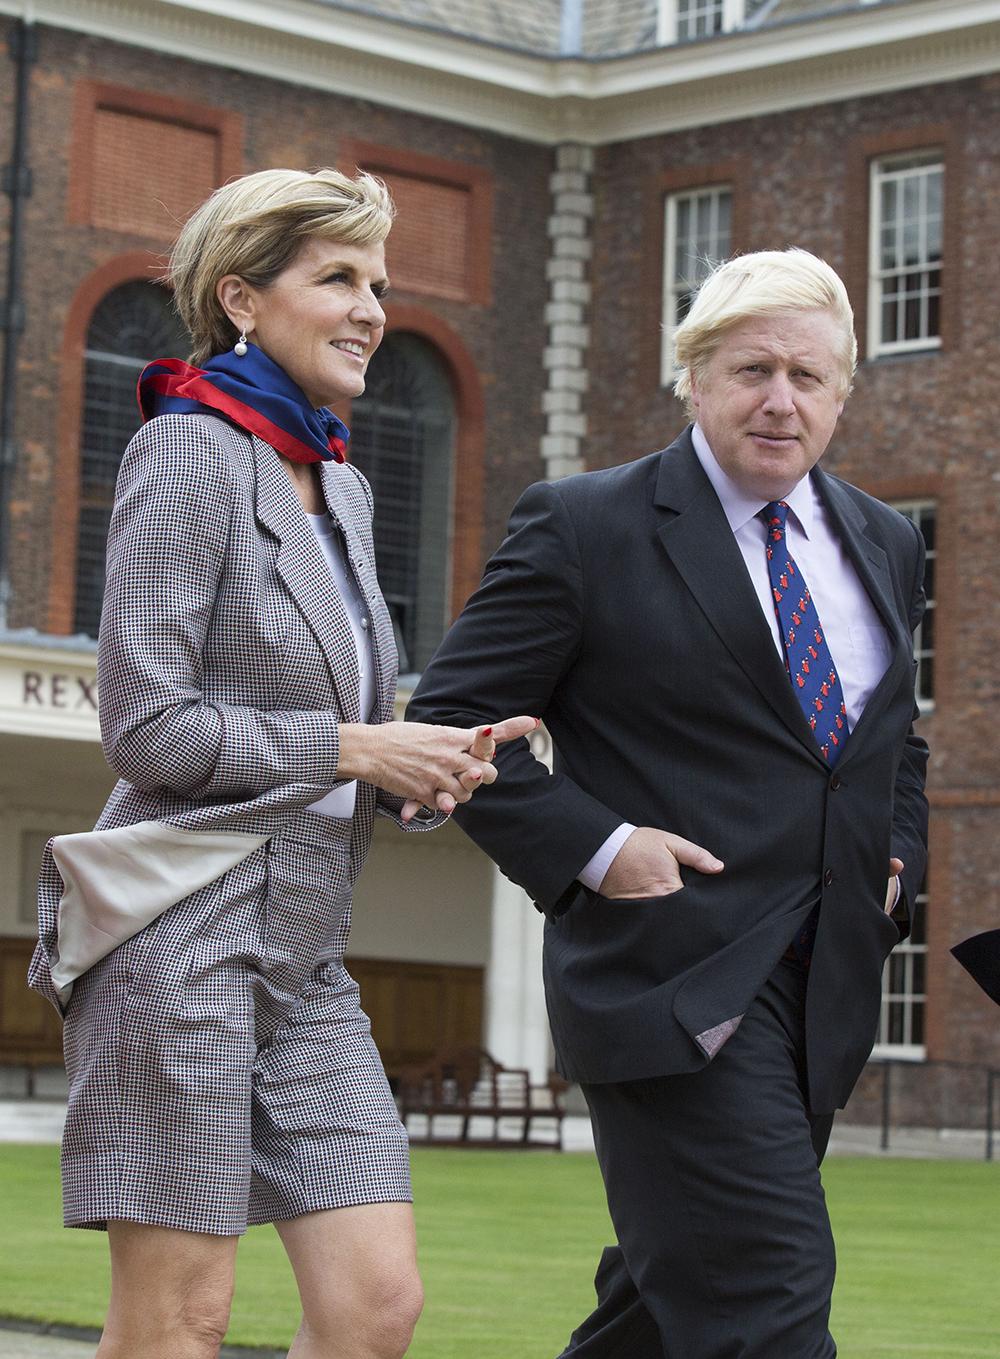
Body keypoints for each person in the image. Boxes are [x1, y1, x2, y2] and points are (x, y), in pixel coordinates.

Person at [28, 166, 534, 1359]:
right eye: (340, 279)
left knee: (373, 1307)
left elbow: (330, 735)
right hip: (180, 949)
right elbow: (147, 729)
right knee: (179, 1320)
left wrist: (423, 766)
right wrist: (356, 745)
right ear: (243, 301)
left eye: (381, 284)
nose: (373, 309)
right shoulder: (190, 452)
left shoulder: (343, 486)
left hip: (307, 963)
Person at [408, 248, 929, 1358]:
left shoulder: (885, 541)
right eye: (750, 369)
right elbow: (450, 728)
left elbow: (896, 742)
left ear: (843, 391)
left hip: (823, 986)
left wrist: (895, 858)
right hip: (672, 982)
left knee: (658, 1318)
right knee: (767, 1304)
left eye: (807, 375)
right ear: (691, 377)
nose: (779, 399)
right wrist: (600, 847)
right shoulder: (585, 526)